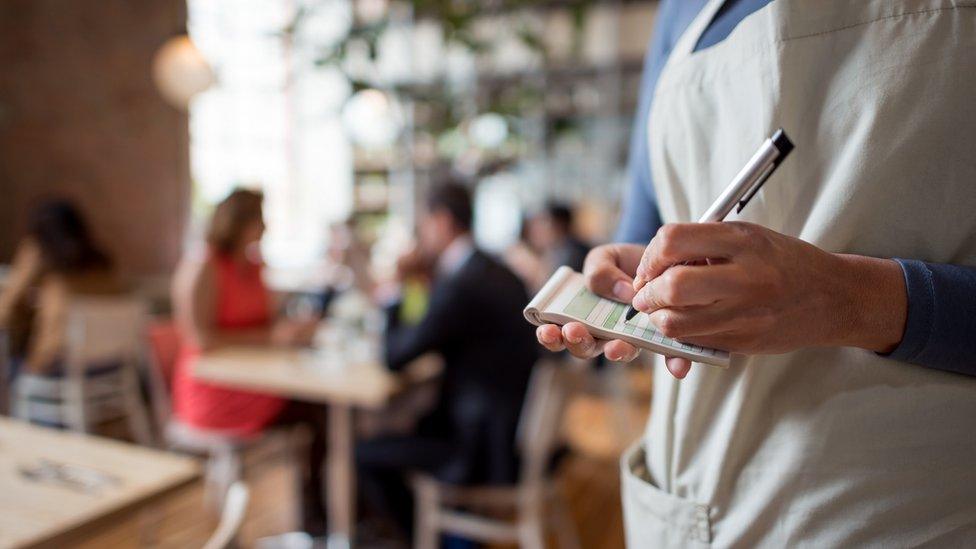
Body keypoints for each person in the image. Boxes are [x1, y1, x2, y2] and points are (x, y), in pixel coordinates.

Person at [537, 0, 976, 546]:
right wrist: (622, 265)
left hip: (902, 512)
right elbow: (646, 224)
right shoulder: (679, 12)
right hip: (688, 496)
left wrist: (851, 299)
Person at [357, 181, 538, 537]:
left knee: (365, 452)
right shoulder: (495, 270)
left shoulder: (461, 283)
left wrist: (396, 286)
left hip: (480, 449)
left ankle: (424, 541)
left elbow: (395, 356)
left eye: (423, 225)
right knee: (409, 423)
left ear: (441, 221)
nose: (421, 236)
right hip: (511, 431)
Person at [170, 188, 329, 534]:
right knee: (316, 414)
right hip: (214, 391)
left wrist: (292, 332)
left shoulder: (255, 266)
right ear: (239, 222)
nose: (266, 226)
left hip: (255, 383)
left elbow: (267, 325)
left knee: (321, 409)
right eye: (260, 218)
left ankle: (319, 517)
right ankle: (316, 518)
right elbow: (201, 339)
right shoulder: (204, 267)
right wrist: (269, 338)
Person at [0, 200, 125, 378]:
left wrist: (26, 264)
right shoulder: (101, 263)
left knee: (10, 359)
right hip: (112, 363)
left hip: (61, 365)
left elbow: (5, 309)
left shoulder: (42, 257)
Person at [527, 202, 591, 275]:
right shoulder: (556, 248)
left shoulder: (574, 253)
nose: (539, 228)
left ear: (559, 224)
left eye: (544, 222)